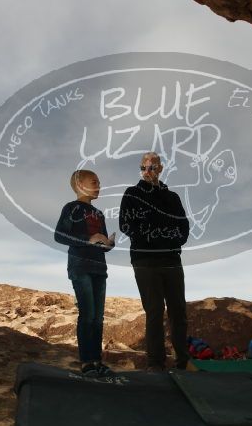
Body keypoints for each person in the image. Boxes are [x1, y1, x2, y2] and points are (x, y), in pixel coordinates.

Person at [120, 152, 190, 371]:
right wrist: (155, 237)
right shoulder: (132, 194)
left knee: (178, 310)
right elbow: (126, 224)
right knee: (154, 310)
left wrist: (171, 240)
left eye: (151, 167)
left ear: (160, 168)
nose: (146, 171)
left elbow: (183, 227)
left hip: (171, 260)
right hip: (145, 260)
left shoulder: (173, 197)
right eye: (143, 167)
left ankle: (183, 362)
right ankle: (155, 364)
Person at [55, 169, 115, 376]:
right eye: (94, 181)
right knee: (87, 314)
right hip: (80, 267)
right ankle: (87, 362)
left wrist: (108, 244)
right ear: (80, 184)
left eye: (99, 181)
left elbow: (102, 241)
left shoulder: (99, 214)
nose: (99, 185)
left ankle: (97, 361)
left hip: (100, 267)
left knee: (98, 318)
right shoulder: (71, 208)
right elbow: (59, 235)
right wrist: (87, 239)